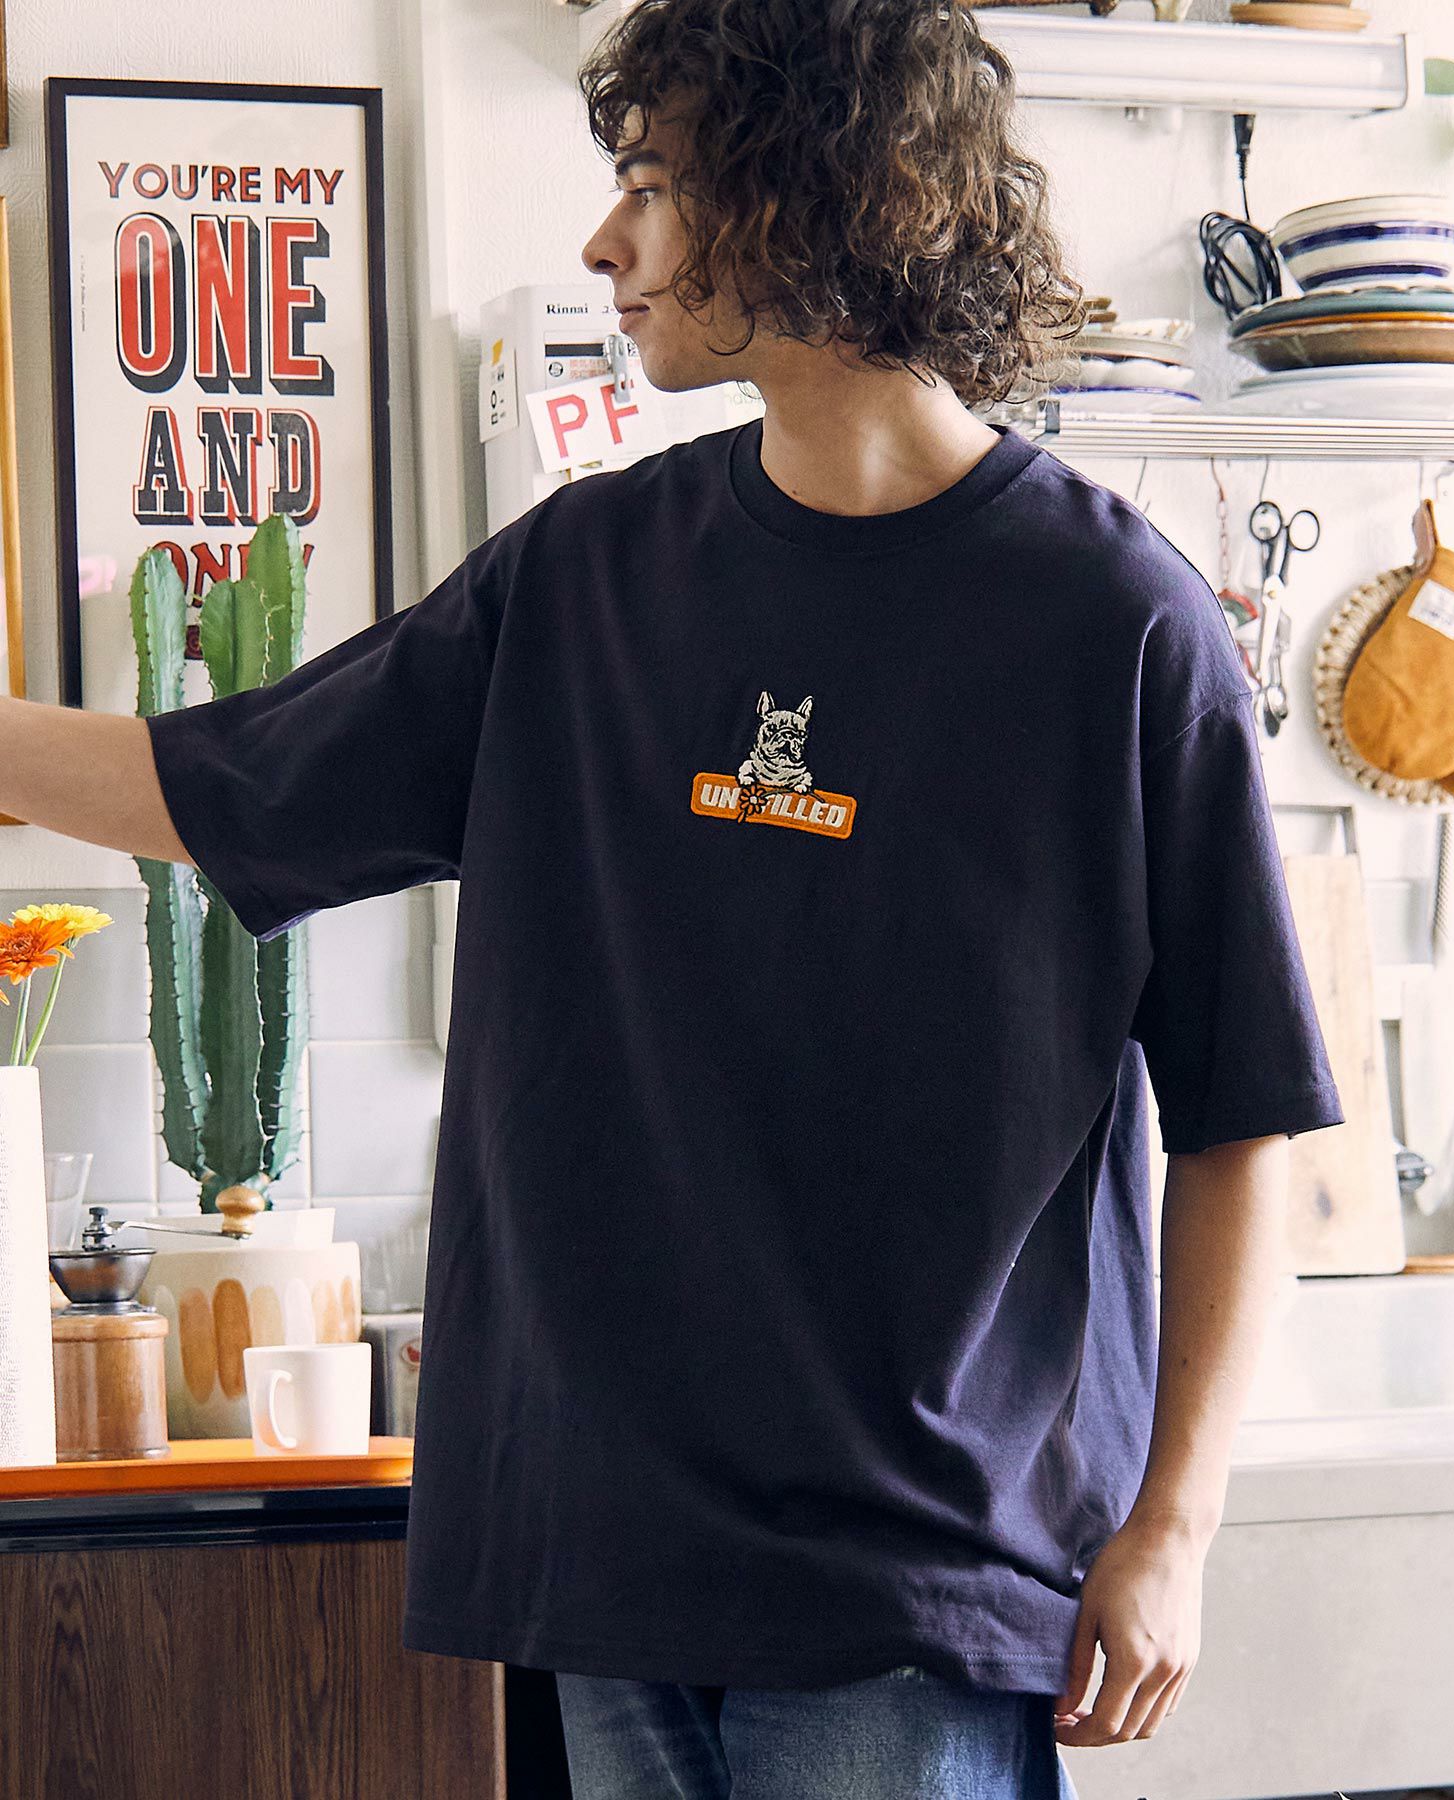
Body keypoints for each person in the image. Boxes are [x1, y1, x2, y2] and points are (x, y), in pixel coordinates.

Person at [0, 1, 1344, 1794]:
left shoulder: (1117, 630)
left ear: (812, 194)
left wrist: (1175, 1523)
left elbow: (1246, 1118)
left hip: (916, 1572)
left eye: (649, 183)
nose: (603, 241)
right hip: (606, 1545)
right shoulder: (581, 576)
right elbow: (225, 784)